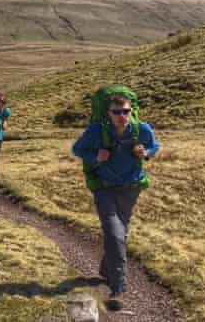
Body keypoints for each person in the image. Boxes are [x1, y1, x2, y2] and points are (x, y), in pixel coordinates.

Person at [72, 91, 159, 310]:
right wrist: (95, 157)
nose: (122, 115)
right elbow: (77, 148)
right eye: (116, 112)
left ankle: (105, 269)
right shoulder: (97, 130)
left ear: (132, 111)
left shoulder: (142, 129)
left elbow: (155, 146)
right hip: (105, 189)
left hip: (131, 188)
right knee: (115, 233)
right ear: (108, 113)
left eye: (126, 111)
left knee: (120, 234)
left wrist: (146, 152)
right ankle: (118, 286)